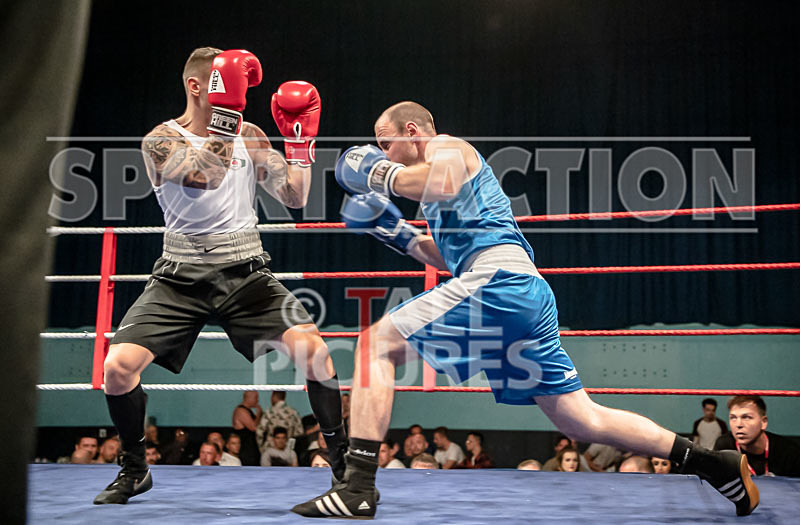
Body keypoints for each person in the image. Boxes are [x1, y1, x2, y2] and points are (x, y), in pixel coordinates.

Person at [292, 102, 759, 518]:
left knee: (376, 343)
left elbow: (439, 181)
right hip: (517, 289)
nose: (382, 152)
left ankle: (357, 487)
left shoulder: (449, 148)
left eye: (384, 142)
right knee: (580, 419)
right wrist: (399, 236)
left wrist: (377, 174)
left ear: (413, 131)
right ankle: (710, 463)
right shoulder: (439, 194)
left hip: (501, 284)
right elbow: (452, 258)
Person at [94, 47, 349, 505]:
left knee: (318, 355)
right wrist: (228, 112)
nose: (236, 95)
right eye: (224, 85)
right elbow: (203, 175)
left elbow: (293, 196)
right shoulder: (159, 140)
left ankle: (344, 471)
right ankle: (135, 469)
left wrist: (300, 146)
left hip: (247, 272)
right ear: (197, 87)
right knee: (117, 369)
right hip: (179, 276)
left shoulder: (249, 134)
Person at [714, 395, 800, 477]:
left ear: (763, 422)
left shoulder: (788, 452)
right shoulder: (724, 447)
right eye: (733, 418)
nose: (738, 424)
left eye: (746, 417)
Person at [232, 390, 262, 466]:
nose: (257, 400)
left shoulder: (247, 411)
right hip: (245, 449)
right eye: (256, 398)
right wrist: (259, 413)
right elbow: (253, 427)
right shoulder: (241, 411)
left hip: (251, 448)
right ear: (249, 398)